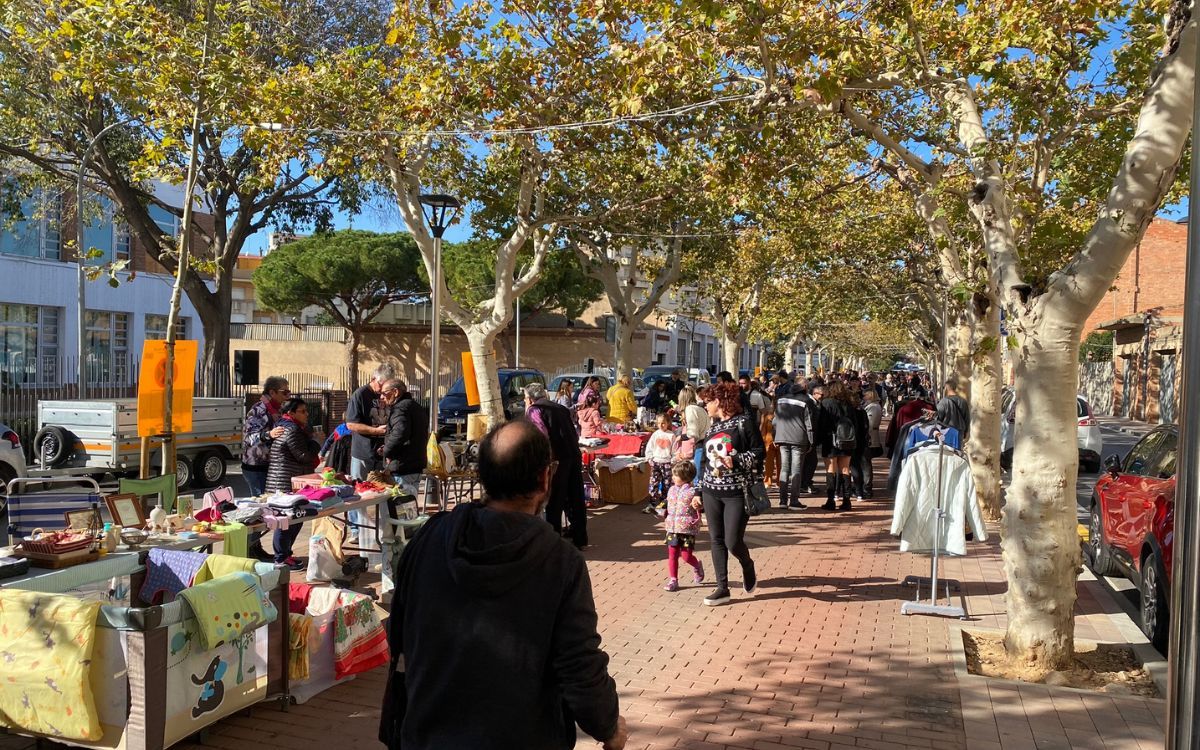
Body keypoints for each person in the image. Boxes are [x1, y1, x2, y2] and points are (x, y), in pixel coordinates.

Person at [379, 419, 627, 750]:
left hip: (427, 732)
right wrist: (608, 727)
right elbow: (579, 663)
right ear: (545, 477)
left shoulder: (430, 536)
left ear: (483, 476)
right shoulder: (561, 561)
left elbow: (400, 630)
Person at [697, 381, 762, 606]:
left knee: (733, 541)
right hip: (710, 491)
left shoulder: (744, 422)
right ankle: (722, 588)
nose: (705, 406)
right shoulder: (713, 427)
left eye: (707, 402)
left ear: (718, 401)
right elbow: (705, 461)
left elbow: (758, 452)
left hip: (736, 492)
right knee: (716, 539)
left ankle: (747, 564)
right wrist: (698, 490)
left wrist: (736, 460)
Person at [525, 383, 589, 549]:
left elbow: (541, 436)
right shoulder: (560, 408)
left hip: (557, 458)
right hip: (573, 453)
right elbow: (574, 431)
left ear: (530, 398)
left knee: (555, 498)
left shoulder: (534, 410)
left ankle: (553, 540)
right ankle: (580, 537)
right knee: (576, 496)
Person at [265, 398, 321, 570]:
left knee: (294, 519)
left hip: (286, 478)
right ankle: (281, 558)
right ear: (291, 413)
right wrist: (316, 442)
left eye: (306, 410)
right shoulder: (292, 429)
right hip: (285, 481)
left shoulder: (289, 426)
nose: (307, 414)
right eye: (302, 411)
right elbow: (303, 456)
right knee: (287, 521)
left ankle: (285, 555)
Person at [346, 364, 396, 480]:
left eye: (387, 386)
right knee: (360, 490)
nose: (383, 389)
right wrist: (376, 431)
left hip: (383, 454)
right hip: (363, 454)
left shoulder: (389, 395)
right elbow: (351, 424)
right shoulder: (360, 395)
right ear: (373, 379)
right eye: (381, 384)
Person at [241, 376, 290, 497]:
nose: (287, 396)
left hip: (270, 465)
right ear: (272, 392)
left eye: (288, 392)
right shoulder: (258, 410)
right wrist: (269, 434)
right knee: (262, 505)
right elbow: (249, 438)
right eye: (285, 392)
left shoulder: (278, 410)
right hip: (256, 467)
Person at [661, 460, 705, 592]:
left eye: (676, 475)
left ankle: (697, 565)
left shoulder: (693, 492)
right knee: (672, 554)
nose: (673, 477)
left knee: (686, 557)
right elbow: (667, 504)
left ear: (685, 477)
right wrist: (662, 511)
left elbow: (699, 507)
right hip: (672, 528)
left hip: (687, 529)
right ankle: (673, 580)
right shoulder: (671, 489)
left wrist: (699, 505)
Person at [380, 380, 428, 497]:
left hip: (402, 467)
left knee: (399, 509)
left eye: (384, 393)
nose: (382, 397)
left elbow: (400, 434)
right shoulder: (415, 407)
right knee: (410, 508)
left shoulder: (400, 409)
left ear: (395, 392)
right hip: (415, 466)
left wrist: (386, 451)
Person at [774, 378, 815, 509]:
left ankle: (782, 501)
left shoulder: (781, 399)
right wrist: (811, 441)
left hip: (782, 437)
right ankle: (794, 501)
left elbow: (775, 420)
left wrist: (777, 434)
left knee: (784, 469)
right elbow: (809, 424)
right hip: (799, 438)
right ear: (805, 388)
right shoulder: (806, 401)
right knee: (796, 469)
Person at [819, 381, 857, 511]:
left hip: (831, 440)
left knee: (831, 469)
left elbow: (822, 423)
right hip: (847, 440)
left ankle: (831, 500)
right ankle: (847, 500)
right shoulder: (849, 404)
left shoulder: (827, 403)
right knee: (845, 469)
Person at [644, 413, 678, 514]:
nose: (660, 425)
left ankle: (664, 504)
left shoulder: (672, 435)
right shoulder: (655, 434)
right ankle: (652, 503)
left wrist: (673, 460)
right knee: (653, 483)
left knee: (666, 484)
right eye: (658, 423)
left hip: (667, 462)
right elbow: (649, 447)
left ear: (668, 423)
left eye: (663, 423)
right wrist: (649, 458)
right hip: (656, 462)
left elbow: (674, 450)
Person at [677, 386, 709, 476]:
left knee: (697, 477)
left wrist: (681, 437)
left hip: (701, 445)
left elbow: (693, 433)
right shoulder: (699, 408)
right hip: (706, 444)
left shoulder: (690, 409)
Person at [860, 390, 883, 499]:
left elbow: (871, 423)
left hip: (869, 438)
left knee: (866, 463)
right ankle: (866, 485)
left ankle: (867, 487)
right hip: (869, 437)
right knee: (865, 463)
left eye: (864, 395)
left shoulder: (873, 407)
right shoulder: (872, 406)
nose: (863, 397)